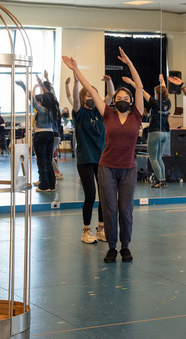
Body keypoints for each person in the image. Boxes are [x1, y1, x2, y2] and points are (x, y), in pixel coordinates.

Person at [63, 47, 144, 263]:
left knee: (126, 210)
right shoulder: (108, 114)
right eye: (120, 96)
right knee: (109, 210)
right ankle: (111, 247)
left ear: (131, 100)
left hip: (128, 169)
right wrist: (76, 69)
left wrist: (129, 63)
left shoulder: (137, 114)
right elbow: (90, 87)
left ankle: (125, 246)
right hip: (106, 167)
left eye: (127, 96)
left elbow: (140, 86)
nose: (124, 98)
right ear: (114, 99)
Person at [70, 72, 114, 244]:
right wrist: (75, 82)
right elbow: (74, 99)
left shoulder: (101, 112)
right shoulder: (80, 113)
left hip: (102, 159)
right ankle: (86, 230)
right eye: (88, 94)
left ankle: (101, 229)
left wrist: (109, 82)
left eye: (93, 94)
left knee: (104, 195)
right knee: (90, 195)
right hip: (85, 160)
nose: (91, 96)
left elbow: (110, 95)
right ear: (83, 98)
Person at [32, 76, 59, 192]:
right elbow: (52, 96)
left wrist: (25, 87)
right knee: (48, 160)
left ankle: (44, 185)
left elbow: (32, 100)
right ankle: (51, 184)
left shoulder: (42, 110)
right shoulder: (53, 110)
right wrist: (42, 84)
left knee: (41, 160)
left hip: (40, 134)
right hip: (50, 135)